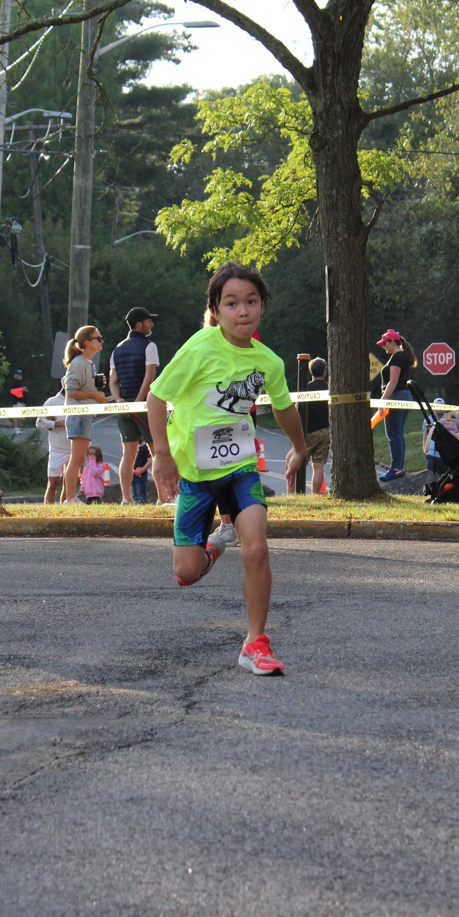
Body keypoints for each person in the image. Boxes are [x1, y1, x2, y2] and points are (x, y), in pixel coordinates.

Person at [147, 261, 307, 676]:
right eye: (232, 303)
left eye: (251, 301)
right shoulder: (200, 347)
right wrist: (162, 454)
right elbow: (156, 397)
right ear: (216, 310)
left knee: (257, 548)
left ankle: (255, 643)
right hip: (196, 477)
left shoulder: (268, 362)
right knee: (186, 573)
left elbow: (284, 407)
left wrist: (299, 448)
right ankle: (217, 543)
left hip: (240, 470)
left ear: (262, 306)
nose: (243, 311)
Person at [109, 306, 160, 504]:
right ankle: (162, 497)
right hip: (144, 406)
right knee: (156, 451)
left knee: (128, 454)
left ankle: (126, 498)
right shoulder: (149, 346)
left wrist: (120, 401)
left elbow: (113, 381)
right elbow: (149, 378)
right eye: (148, 321)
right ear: (139, 325)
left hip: (123, 408)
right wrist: (138, 402)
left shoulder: (117, 349)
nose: (151, 325)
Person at [61, 325, 105, 503]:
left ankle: (69, 497)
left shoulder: (88, 363)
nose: (101, 341)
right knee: (77, 458)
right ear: (87, 342)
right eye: (98, 338)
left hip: (85, 415)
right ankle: (69, 498)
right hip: (78, 415)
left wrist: (97, 393)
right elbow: (71, 391)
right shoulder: (78, 363)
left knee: (78, 458)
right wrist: (94, 395)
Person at [376, 329, 416, 481]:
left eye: (385, 343)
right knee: (398, 433)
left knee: (393, 434)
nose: (383, 346)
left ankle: (396, 468)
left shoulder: (397, 357)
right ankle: (399, 466)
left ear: (392, 341)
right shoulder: (402, 356)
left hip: (396, 397)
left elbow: (393, 382)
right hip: (404, 396)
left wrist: (383, 401)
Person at [35, 384, 69, 504]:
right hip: (57, 449)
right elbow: (39, 422)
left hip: (74, 448)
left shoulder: (78, 401)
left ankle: (64, 510)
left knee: (69, 484)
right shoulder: (52, 401)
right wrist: (56, 423)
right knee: (53, 483)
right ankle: (49, 510)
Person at [303, 356, 331, 494]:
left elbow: (297, 410)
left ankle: (296, 492)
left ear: (310, 371)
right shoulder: (330, 389)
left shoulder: (305, 389)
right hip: (325, 431)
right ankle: (314, 494)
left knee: (299, 463)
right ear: (324, 371)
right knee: (318, 466)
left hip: (307, 432)